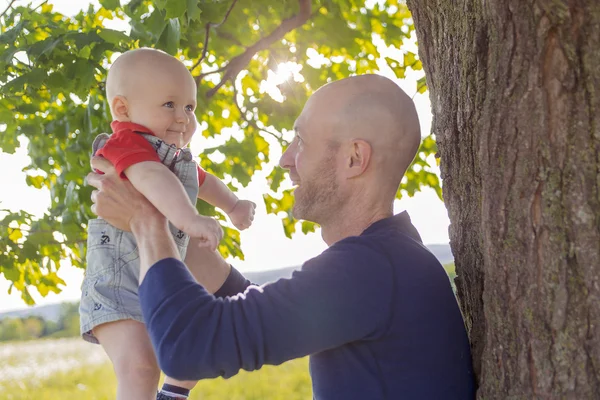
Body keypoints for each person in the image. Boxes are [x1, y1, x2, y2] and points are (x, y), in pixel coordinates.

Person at [87, 74, 476, 399]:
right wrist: (206, 266)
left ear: (354, 159)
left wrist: (146, 221)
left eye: (301, 141)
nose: (285, 158)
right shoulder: (388, 262)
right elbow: (270, 316)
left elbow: (186, 349)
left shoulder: (372, 269)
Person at [79, 48, 256, 400]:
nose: (183, 118)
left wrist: (233, 205)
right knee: (139, 367)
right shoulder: (125, 145)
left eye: (189, 107)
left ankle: (174, 393)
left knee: (199, 333)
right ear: (123, 109)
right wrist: (189, 218)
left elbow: (202, 181)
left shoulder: (177, 158)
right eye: (169, 105)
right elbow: (151, 177)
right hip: (119, 281)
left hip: (163, 269)